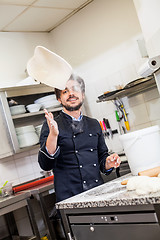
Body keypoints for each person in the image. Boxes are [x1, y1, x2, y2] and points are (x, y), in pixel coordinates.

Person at [38, 73, 121, 204]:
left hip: (97, 193)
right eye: (65, 91)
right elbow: (45, 164)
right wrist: (53, 134)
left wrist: (108, 162)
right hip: (70, 198)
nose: (71, 93)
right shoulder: (51, 124)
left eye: (75, 89)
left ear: (82, 94)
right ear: (59, 98)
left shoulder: (94, 124)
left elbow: (101, 158)